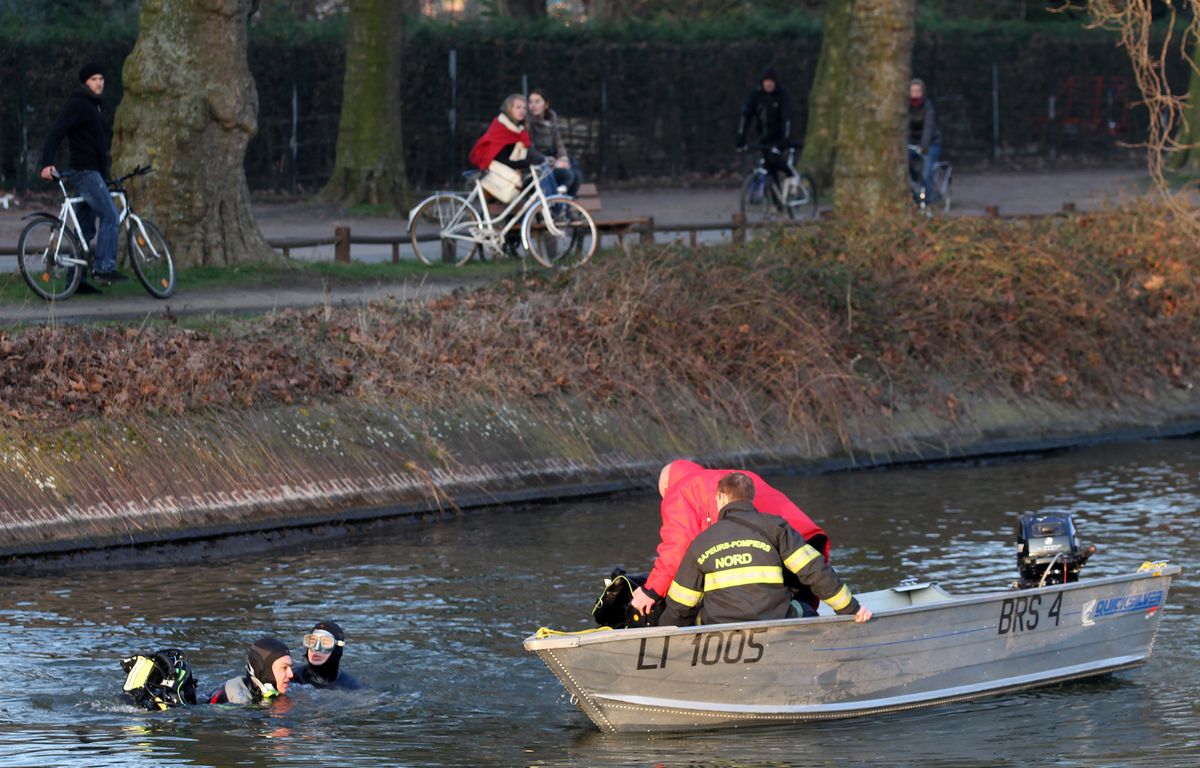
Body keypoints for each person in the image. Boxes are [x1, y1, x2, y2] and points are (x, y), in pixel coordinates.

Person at [658, 473, 872, 627]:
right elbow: (815, 571)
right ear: (750, 497)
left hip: (719, 626)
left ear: (720, 497)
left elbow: (680, 603)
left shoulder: (702, 541)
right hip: (775, 619)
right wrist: (851, 609)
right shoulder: (775, 527)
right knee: (805, 608)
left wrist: (661, 640)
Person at [630, 459, 829, 618]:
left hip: (769, 551)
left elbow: (678, 546)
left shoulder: (680, 490)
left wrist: (651, 591)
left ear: (666, 486)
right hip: (807, 541)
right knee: (797, 606)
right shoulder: (734, 478)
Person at [38, 62, 128, 287]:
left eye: (101, 78)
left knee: (85, 229)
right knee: (110, 216)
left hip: (92, 172)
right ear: (85, 83)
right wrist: (47, 163)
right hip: (86, 172)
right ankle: (104, 268)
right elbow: (56, 131)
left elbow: (96, 144)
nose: (99, 83)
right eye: (93, 79)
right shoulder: (79, 104)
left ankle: (76, 282)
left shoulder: (94, 106)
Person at [736, 66, 797, 190]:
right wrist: (741, 138)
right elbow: (746, 116)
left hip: (780, 136)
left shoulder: (783, 95)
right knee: (769, 168)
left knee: (774, 159)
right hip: (765, 136)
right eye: (766, 81)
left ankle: (792, 175)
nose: (768, 84)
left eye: (771, 81)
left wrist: (785, 139)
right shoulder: (756, 95)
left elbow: (787, 118)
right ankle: (777, 203)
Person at [527, 89, 582, 199]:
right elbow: (531, 149)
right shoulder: (528, 123)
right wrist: (553, 162)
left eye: (537, 101)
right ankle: (558, 207)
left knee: (577, 175)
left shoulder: (551, 119)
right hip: (540, 164)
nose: (533, 105)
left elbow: (558, 142)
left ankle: (566, 208)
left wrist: (563, 158)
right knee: (568, 175)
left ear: (546, 104)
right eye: (531, 102)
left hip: (554, 160)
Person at [208, 636, 294, 704]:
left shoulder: (266, 691)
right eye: (284, 668)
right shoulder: (235, 700)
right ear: (263, 671)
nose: (291, 674)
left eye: (290, 667)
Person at [291, 620, 362, 690]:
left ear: (337, 650)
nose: (316, 648)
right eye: (312, 641)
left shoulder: (351, 686)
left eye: (325, 643)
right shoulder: (291, 677)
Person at [908, 78, 942, 204]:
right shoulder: (905, 107)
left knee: (926, 172)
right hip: (913, 143)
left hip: (931, 143)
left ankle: (930, 200)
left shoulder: (928, 107)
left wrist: (924, 145)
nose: (915, 94)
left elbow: (928, 127)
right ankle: (917, 193)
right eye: (912, 91)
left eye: (918, 91)